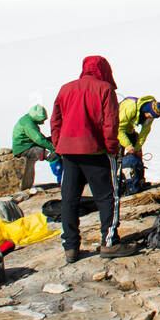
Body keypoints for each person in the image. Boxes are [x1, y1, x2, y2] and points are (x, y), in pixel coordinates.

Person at [51, 55, 129, 263]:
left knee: (69, 198)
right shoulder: (104, 89)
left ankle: (70, 246)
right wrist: (112, 148)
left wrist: (59, 144)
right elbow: (111, 123)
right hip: (94, 150)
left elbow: (56, 120)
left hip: (69, 152)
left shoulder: (65, 89)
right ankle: (109, 242)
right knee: (106, 196)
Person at [117, 94, 160, 190]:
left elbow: (145, 132)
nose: (150, 118)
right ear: (146, 111)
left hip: (129, 130)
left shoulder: (151, 115)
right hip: (116, 129)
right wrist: (128, 146)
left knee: (136, 155)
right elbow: (118, 128)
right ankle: (119, 183)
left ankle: (138, 181)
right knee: (118, 157)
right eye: (150, 116)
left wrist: (137, 148)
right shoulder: (130, 107)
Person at [11, 104, 62, 182]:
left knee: (51, 140)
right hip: (24, 149)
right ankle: (61, 179)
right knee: (52, 156)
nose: (43, 122)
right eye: (42, 119)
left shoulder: (29, 120)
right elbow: (39, 140)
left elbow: (39, 138)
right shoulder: (28, 124)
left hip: (28, 144)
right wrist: (54, 148)